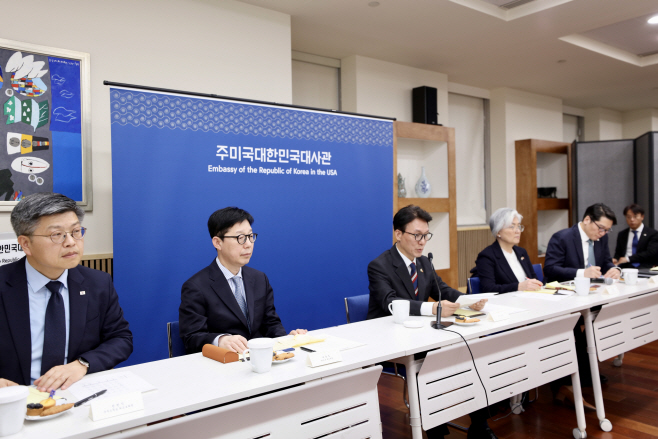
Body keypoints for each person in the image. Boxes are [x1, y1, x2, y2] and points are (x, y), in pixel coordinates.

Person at [367, 205, 494, 439]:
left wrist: (468, 302)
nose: (422, 242)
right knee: (430, 362)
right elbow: (390, 303)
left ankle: (480, 426)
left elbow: (442, 290)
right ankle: (437, 433)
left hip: (421, 335)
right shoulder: (379, 266)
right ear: (398, 234)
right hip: (389, 340)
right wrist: (432, 308)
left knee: (467, 350)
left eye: (426, 235)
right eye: (417, 235)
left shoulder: (424, 262)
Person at [0, 193, 133, 391]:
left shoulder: (98, 283)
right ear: (26, 243)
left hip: (75, 393)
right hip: (14, 398)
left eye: (76, 231)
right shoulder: (4, 284)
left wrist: (82, 364)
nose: (71, 242)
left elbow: (120, 339)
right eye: (57, 234)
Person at [179, 207, 306, 354]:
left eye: (251, 236)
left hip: (260, 359)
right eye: (240, 238)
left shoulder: (259, 278)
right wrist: (220, 340)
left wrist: (286, 339)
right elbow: (191, 338)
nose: (248, 244)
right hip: (225, 362)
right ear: (217, 243)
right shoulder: (196, 286)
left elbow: (271, 324)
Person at [544, 203, 621, 283]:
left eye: (607, 230)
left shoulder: (602, 237)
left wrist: (614, 269)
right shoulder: (562, 237)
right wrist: (582, 273)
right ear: (587, 220)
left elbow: (606, 261)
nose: (603, 233)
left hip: (594, 287)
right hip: (566, 286)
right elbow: (550, 269)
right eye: (601, 228)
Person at [472, 208, 543, 293]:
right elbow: (489, 288)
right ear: (498, 232)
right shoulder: (487, 256)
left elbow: (533, 279)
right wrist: (518, 286)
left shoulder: (521, 252)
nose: (518, 231)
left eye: (518, 226)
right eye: (512, 227)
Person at [613, 204, 658, 269]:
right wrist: (615, 259)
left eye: (635, 216)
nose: (632, 220)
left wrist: (628, 259)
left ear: (642, 217)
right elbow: (618, 253)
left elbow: (650, 252)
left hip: (645, 266)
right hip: (625, 267)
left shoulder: (652, 233)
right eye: (628, 217)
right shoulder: (622, 234)